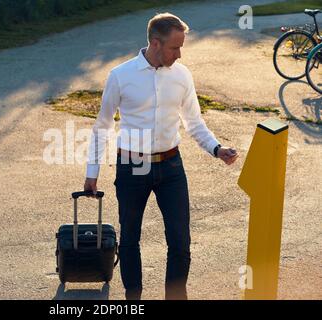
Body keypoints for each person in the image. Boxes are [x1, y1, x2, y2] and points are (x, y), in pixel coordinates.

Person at [83, 12, 239, 300]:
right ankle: (134, 298)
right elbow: (102, 127)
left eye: (181, 48)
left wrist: (217, 149)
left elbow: (194, 122)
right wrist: (92, 173)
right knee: (130, 238)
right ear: (156, 43)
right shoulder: (120, 76)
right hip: (133, 165)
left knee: (180, 241)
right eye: (174, 47)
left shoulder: (182, 75)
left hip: (170, 164)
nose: (179, 54)